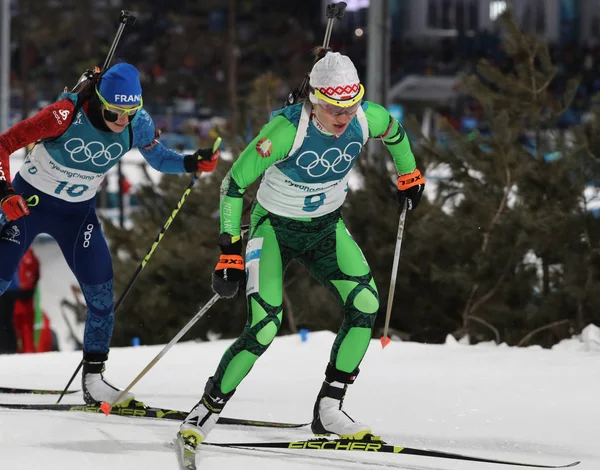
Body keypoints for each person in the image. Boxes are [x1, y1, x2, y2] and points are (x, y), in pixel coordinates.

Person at [178, 50, 425, 448]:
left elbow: (394, 130)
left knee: (365, 305)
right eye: (333, 109)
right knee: (264, 325)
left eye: (351, 105)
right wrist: (229, 251)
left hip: (326, 227)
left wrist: (409, 173)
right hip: (274, 229)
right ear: (315, 100)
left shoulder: (365, 118)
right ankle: (206, 409)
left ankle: (329, 408)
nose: (344, 118)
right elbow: (233, 186)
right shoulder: (284, 131)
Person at [0, 62, 219, 405]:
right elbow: (4, 143)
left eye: (130, 113)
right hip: (30, 205)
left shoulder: (138, 123)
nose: (122, 122)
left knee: (102, 297)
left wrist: (191, 162)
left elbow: (159, 158)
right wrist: (4, 192)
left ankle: (94, 379)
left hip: (77, 216)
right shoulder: (64, 115)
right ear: (99, 100)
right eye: (115, 112)